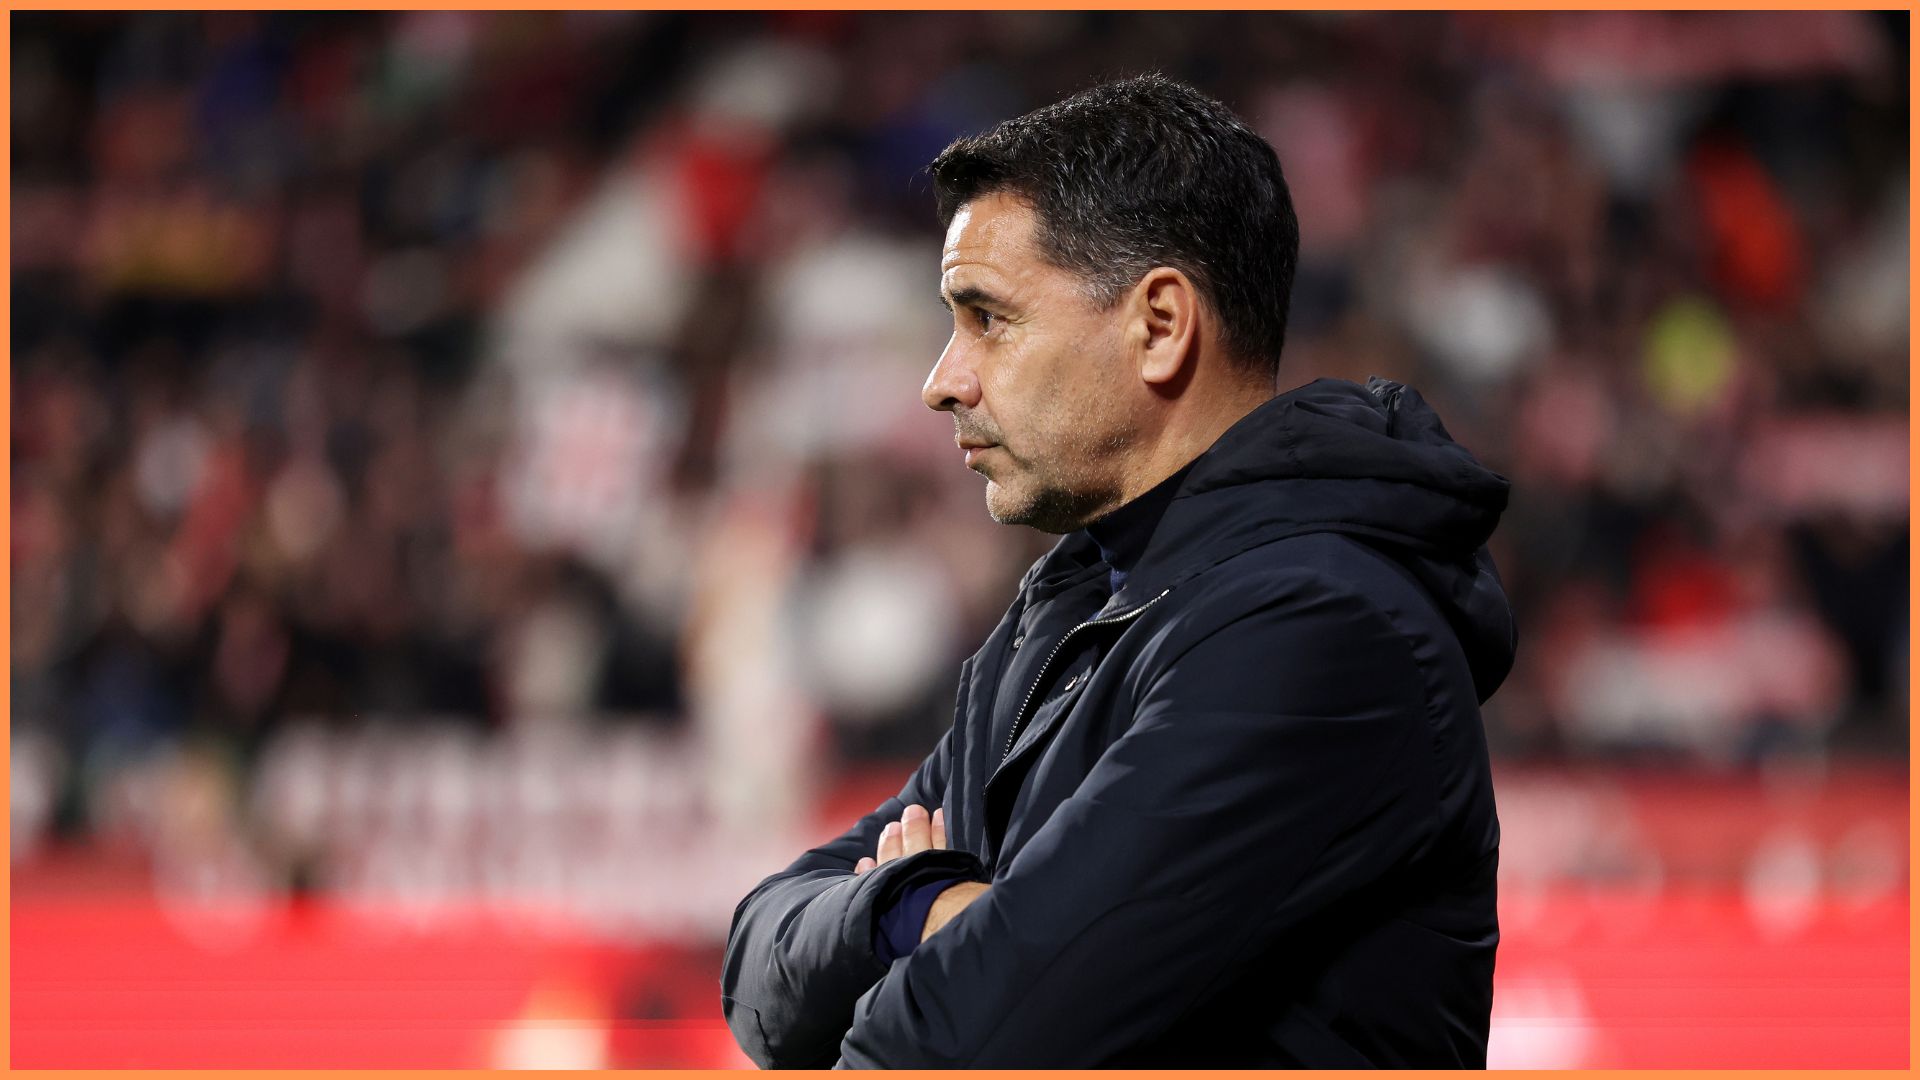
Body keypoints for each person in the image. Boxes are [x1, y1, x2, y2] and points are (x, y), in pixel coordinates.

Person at [720, 73, 1515, 1068]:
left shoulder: (1326, 631)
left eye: (988, 319)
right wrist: (911, 906)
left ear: (1160, 326)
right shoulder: (1067, 611)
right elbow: (758, 974)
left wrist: (928, 921)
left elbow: (960, 1049)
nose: (942, 380)